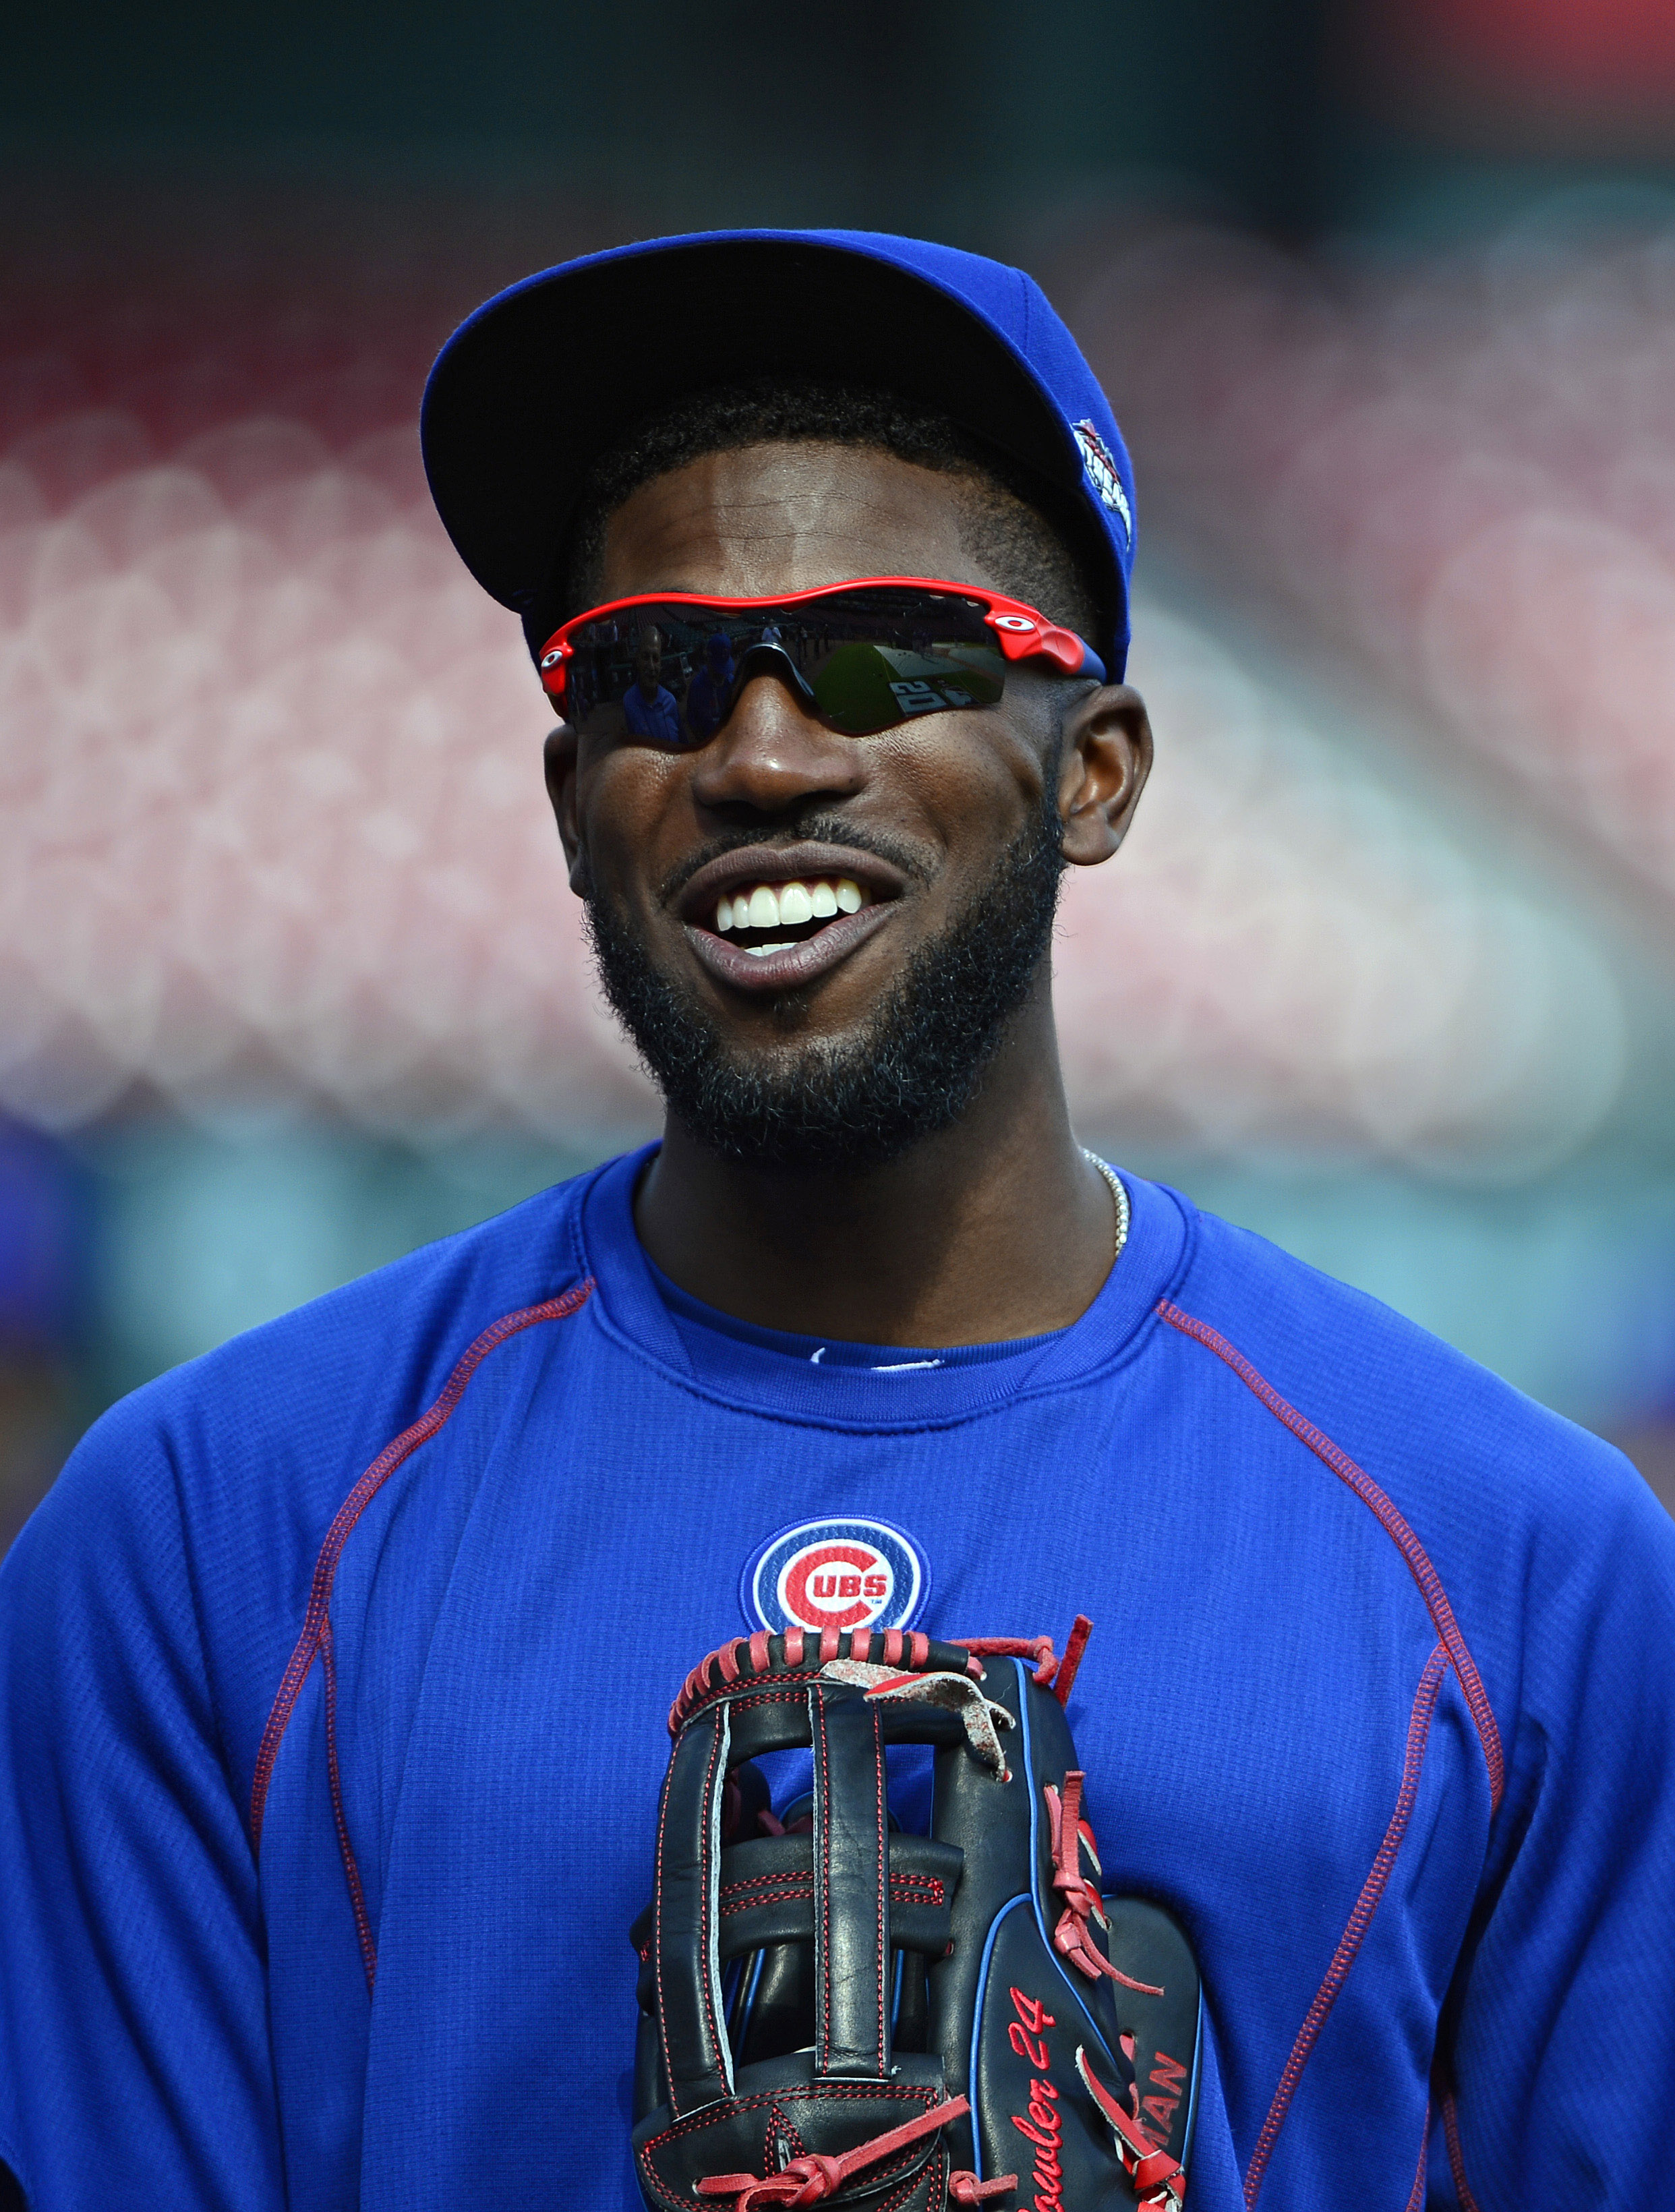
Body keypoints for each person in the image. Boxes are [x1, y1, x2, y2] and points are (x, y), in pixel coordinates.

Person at [1, 229, 1672, 2212]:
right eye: (656, 677)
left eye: (892, 653)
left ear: (1099, 774)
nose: (764, 751)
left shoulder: (1526, 1573)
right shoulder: (203, 1531)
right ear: (569, 802)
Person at [619, 622, 683, 743]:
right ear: (637, 660)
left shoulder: (670, 701)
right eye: (645, 657)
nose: (651, 666)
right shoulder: (628, 702)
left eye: (656, 658)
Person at [683, 627, 737, 743]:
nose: (722, 675)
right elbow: (692, 719)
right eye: (718, 670)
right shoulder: (697, 686)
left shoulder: (731, 682)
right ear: (708, 661)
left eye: (724, 670)